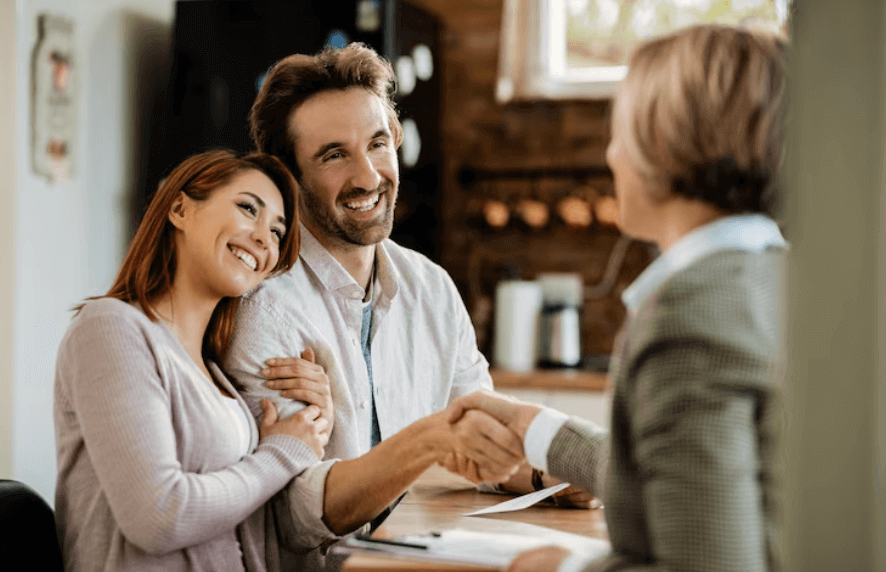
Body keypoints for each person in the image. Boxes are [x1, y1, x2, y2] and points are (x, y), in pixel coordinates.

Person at [450, 23, 788, 572]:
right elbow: (694, 481)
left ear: (661, 144)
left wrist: (562, 568)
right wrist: (539, 430)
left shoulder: (691, 315)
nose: (611, 154)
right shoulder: (781, 279)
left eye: (620, 131)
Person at [223, 43, 535, 571]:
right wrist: (428, 441)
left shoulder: (430, 287)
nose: (368, 177)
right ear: (287, 177)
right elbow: (293, 514)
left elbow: (479, 439)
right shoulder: (264, 308)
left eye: (377, 143)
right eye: (334, 155)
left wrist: (551, 477)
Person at [53, 150, 333, 572]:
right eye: (248, 209)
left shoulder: (215, 374)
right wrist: (281, 454)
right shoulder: (110, 328)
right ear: (180, 209)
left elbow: (252, 508)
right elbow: (158, 516)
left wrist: (316, 416)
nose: (264, 239)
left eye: (277, 232)